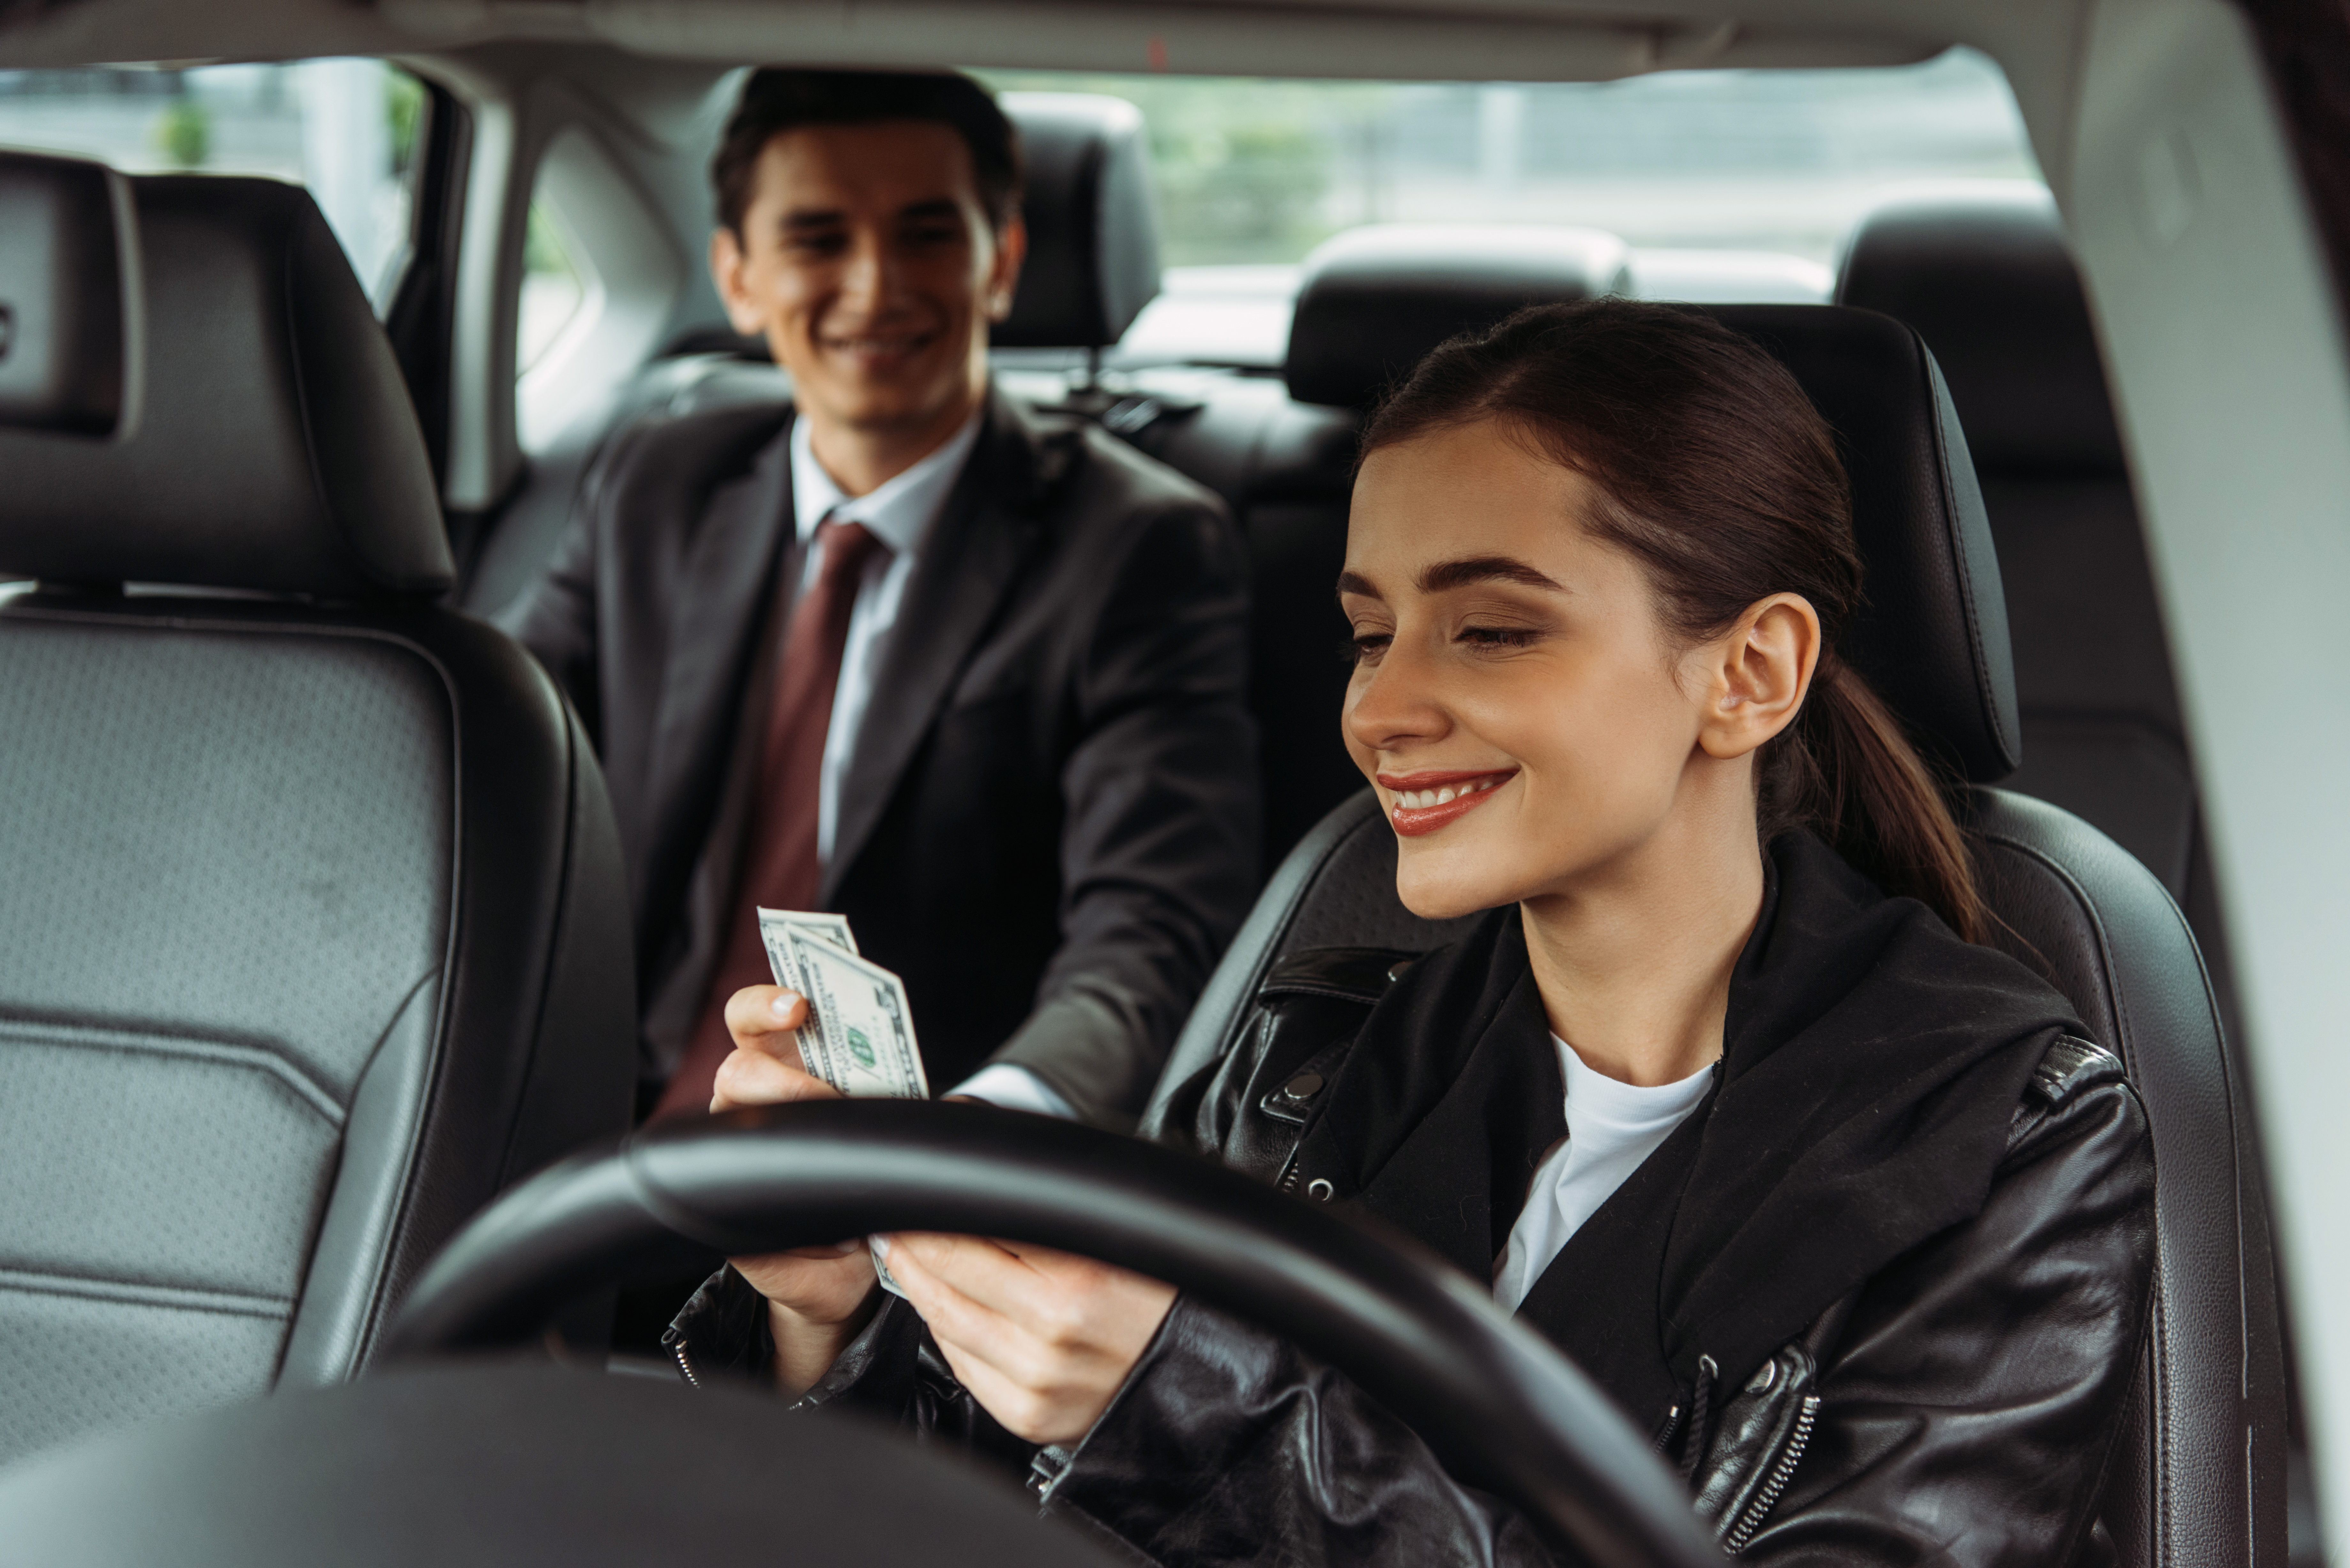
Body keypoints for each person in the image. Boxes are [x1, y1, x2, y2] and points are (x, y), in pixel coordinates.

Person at [671, 300, 2157, 1565]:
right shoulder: (1311, 1050)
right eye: (1371, 632)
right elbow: (1008, 1504)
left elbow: (1178, 1428)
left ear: (1750, 671)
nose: (1378, 710)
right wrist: (832, 1310)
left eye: (1492, 628)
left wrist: (1194, 1406)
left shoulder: (2013, 1140)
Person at [500, 69, 1258, 1129]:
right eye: (817, 239)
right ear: (740, 276)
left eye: (926, 235)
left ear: (1002, 261)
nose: (873, 286)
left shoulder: (1138, 545)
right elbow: (494, 775)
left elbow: (1155, 925)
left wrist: (982, 1133)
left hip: (903, 1158)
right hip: (596, 1127)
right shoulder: (657, 485)